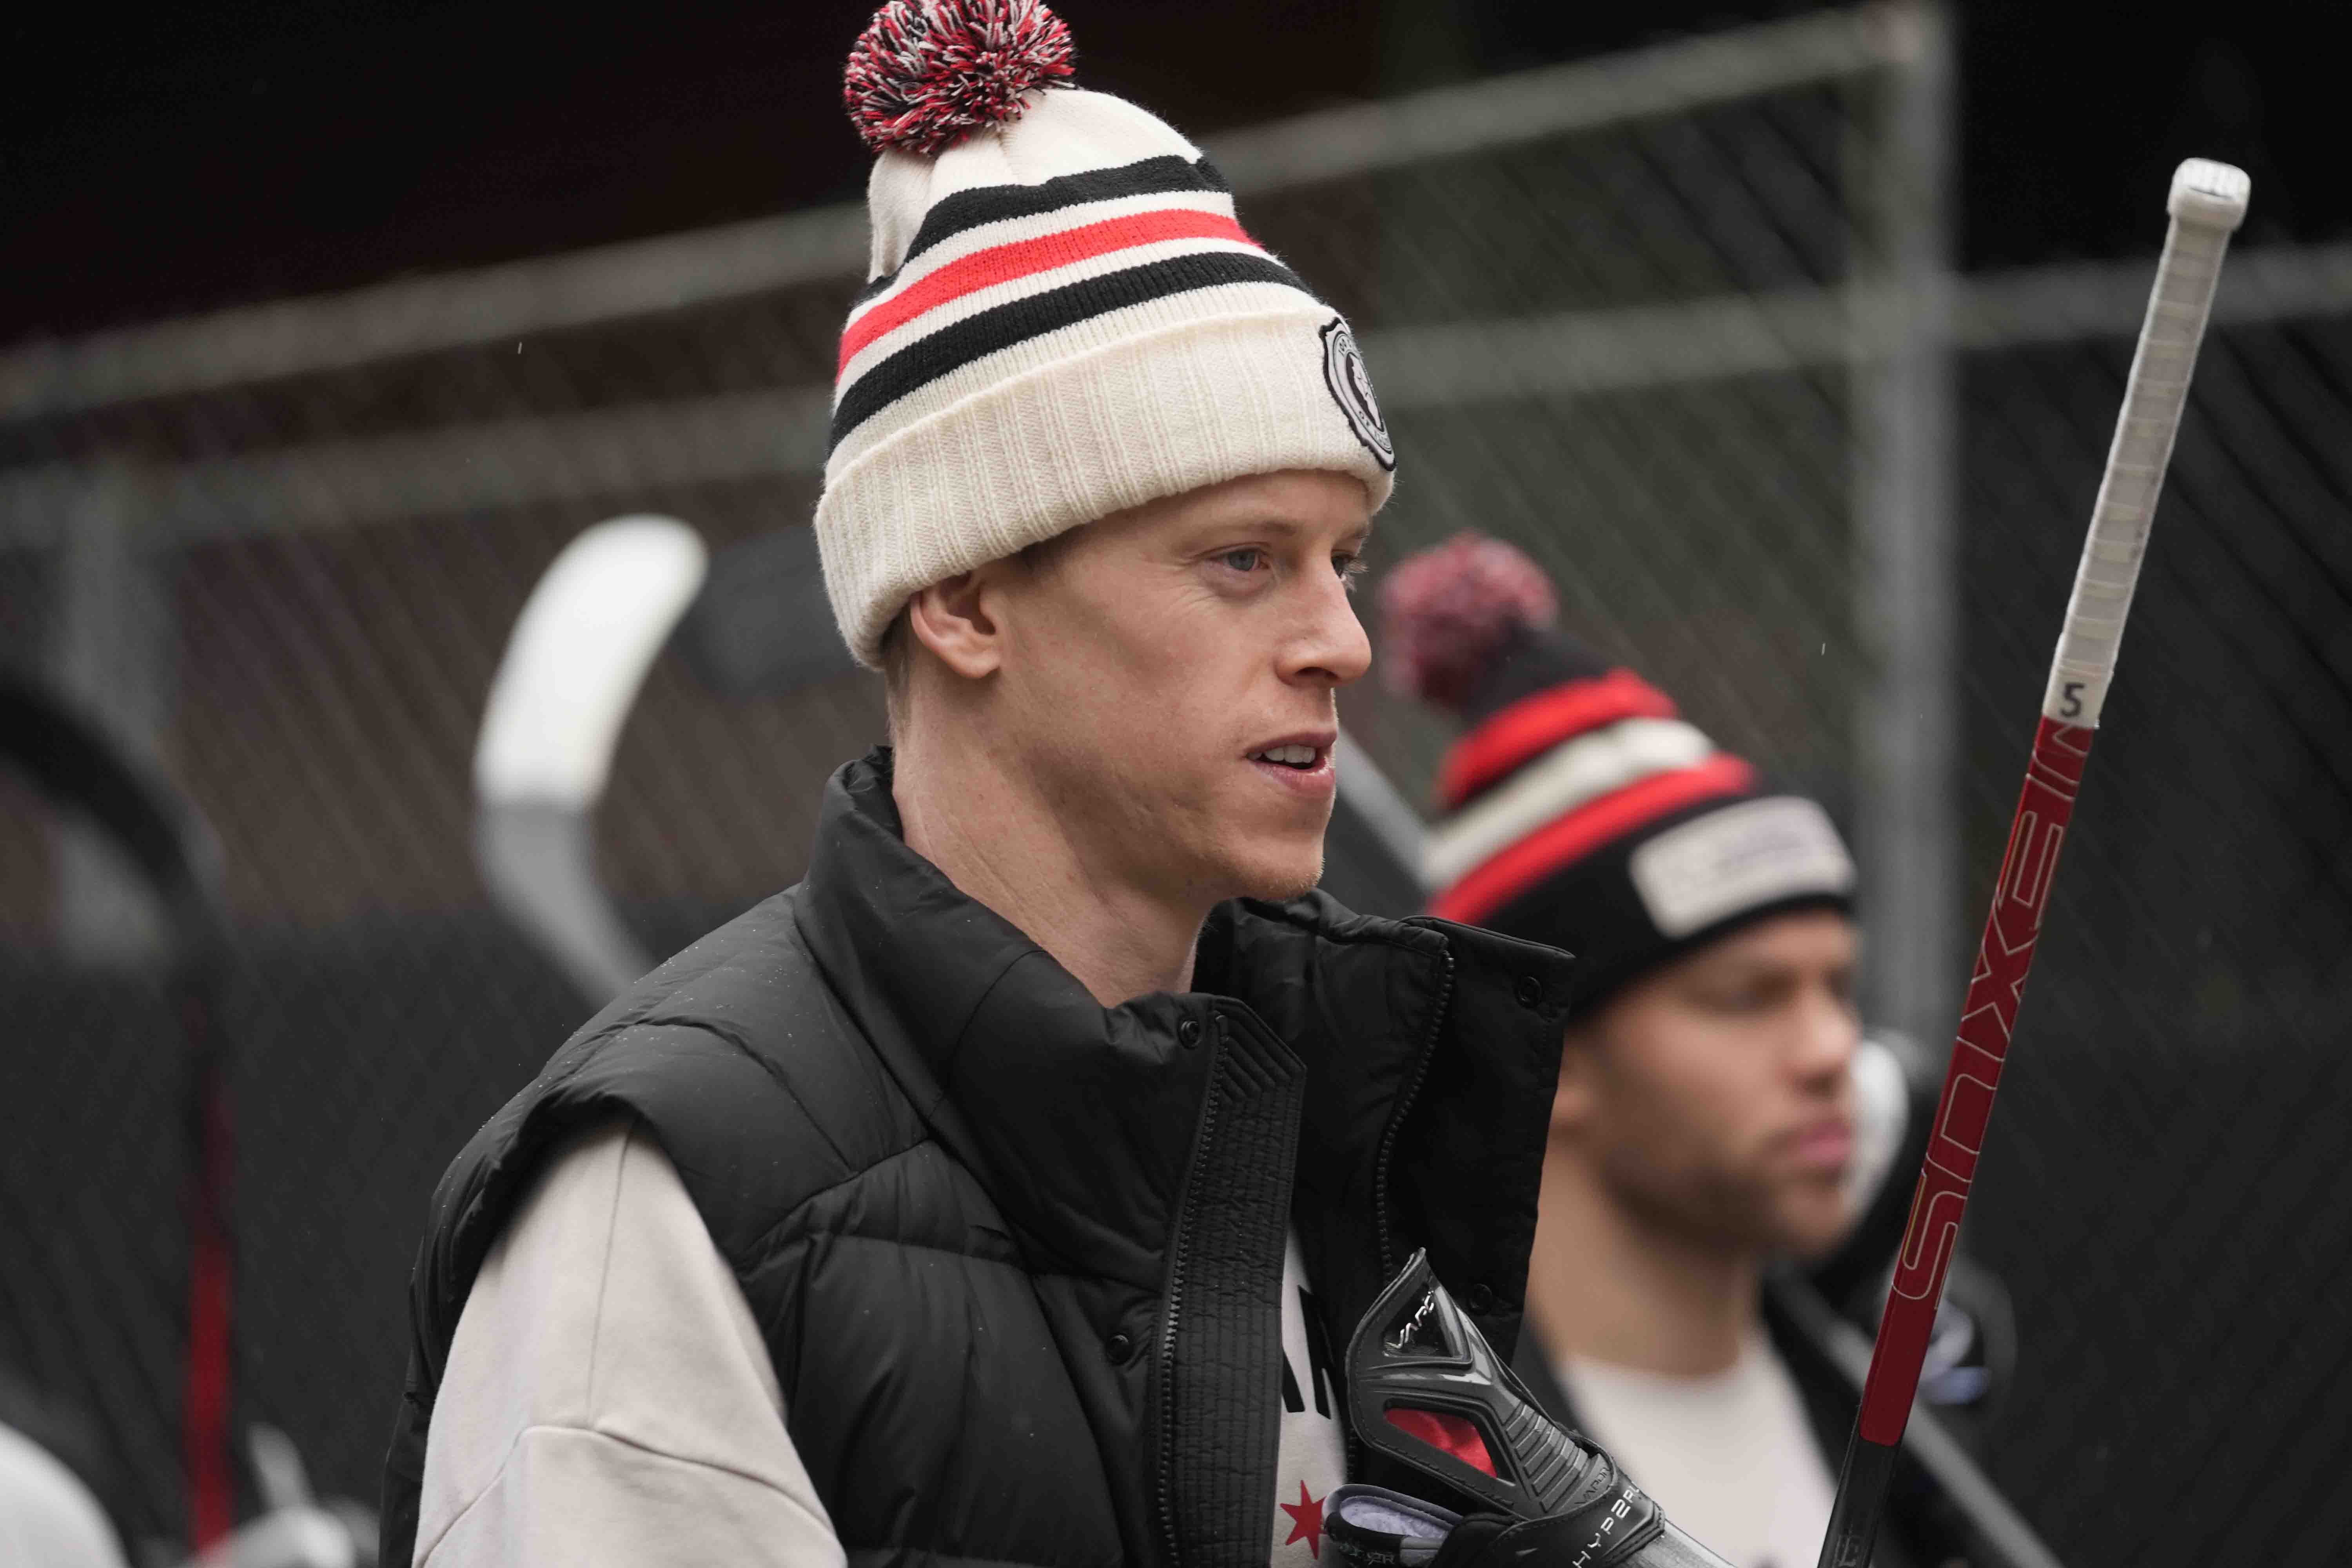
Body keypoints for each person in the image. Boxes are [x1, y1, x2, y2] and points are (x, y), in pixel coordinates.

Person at [378, 7, 1580, 1568]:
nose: (1341, 638)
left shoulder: (1342, 1113)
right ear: (959, 598)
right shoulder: (651, 1211)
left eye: (1344, 561)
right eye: (1244, 560)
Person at [1379, 535, 2009, 1568]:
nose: (1828, 1051)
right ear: (1551, 1054)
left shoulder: (1909, 1400)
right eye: (1745, 998)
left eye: (1838, 989)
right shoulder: (1399, 1472)